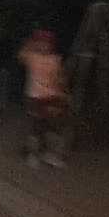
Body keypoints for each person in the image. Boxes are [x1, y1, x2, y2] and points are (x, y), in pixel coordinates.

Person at [18, 28, 70, 168]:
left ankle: (51, 154)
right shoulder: (32, 57)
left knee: (53, 126)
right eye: (40, 43)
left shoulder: (55, 59)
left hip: (52, 96)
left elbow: (60, 78)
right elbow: (21, 55)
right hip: (34, 97)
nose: (44, 46)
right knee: (36, 126)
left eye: (47, 43)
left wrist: (64, 93)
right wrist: (30, 43)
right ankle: (32, 154)